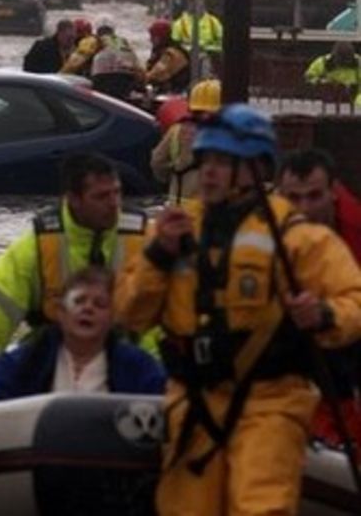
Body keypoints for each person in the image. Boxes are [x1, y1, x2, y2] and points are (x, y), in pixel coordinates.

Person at [115, 104, 361, 516]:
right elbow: (127, 316)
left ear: (253, 169)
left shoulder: (296, 238)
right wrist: (158, 258)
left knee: (260, 505)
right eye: (206, 160)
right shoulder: (173, 230)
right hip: (192, 403)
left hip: (270, 402)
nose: (209, 171)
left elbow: (354, 299)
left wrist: (322, 315)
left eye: (223, 162)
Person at [0, 152, 151, 405]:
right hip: (51, 361)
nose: (114, 203)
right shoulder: (37, 247)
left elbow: (163, 325)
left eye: (117, 193)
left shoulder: (146, 239)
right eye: (101, 196)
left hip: (129, 364)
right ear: (73, 199)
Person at [0, 266, 166, 403]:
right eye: (79, 301)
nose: (88, 309)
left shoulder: (139, 366)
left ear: (114, 317)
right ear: (61, 312)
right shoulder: (26, 360)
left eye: (100, 304)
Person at [278, 148, 361, 451]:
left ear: (333, 192)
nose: (304, 208)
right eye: (294, 199)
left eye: (315, 196)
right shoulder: (265, 233)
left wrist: (326, 314)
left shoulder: (355, 230)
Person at [151, 79, 221, 202]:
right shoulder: (227, 136)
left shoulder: (176, 130)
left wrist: (172, 177)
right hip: (210, 208)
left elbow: (157, 162)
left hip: (178, 204)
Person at [90, 24, 145, 100]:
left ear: (98, 33)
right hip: (126, 79)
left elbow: (77, 61)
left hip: (103, 79)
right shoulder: (123, 41)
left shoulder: (96, 39)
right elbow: (138, 66)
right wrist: (142, 84)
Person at [144, 19, 190, 94]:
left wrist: (139, 77)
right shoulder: (161, 50)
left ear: (162, 37)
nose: (151, 40)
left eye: (153, 36)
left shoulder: (172, 54)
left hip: (175, 93)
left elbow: (155, 75)